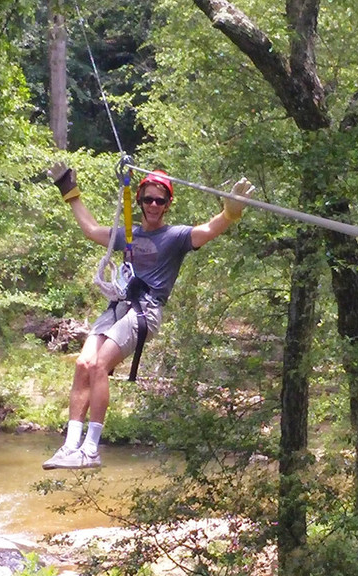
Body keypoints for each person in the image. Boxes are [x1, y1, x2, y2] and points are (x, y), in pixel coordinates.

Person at [43, 164, 255, 470]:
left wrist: (230, 213)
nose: (153, 206)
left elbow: (208, 230)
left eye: (160, 201)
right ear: (140, 201)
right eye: (148, 200)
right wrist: (69, 190)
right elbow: (90, 229)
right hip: (119, 306)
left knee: (101, 364)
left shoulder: (176, 236)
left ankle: (90, 450)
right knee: (83, 364)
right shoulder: (128, 233)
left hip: (147, 310)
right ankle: (69, 446)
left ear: (168, 205)